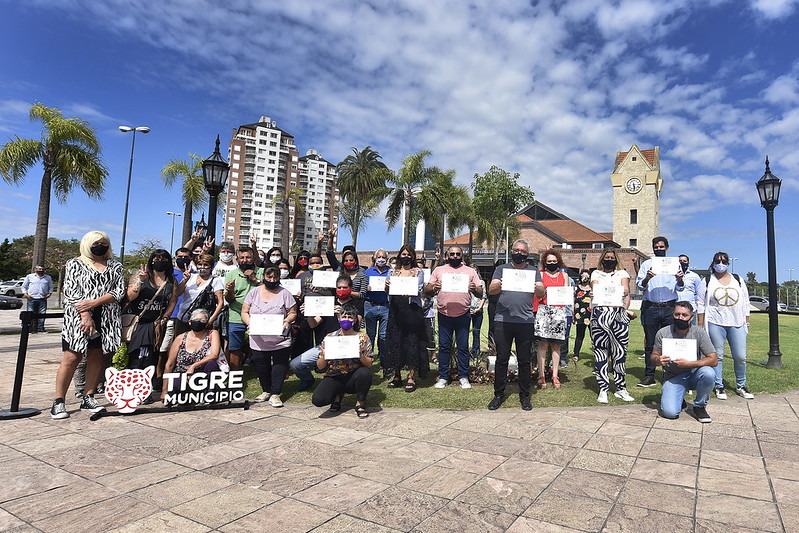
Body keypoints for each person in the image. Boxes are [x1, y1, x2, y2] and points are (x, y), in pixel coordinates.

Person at [51, 231, 124, 419]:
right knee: (72, 357)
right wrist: (85, 313)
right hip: (78, 317)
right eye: (96, 242)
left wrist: (95, 303)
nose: (100, 245)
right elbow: (71, 292)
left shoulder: (115, 265)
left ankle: (88, 396)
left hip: (106, 317)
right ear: (87, 244)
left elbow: (119, 291)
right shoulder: (76, 263)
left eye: (104, 242)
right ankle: (59, 401)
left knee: (97, 357)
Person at [487, 239, 544, 410]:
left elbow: (541, 292)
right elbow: (491, 290)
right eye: (516, 250)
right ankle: (498, 394)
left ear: (527, 254)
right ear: (511, 251)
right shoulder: (501, 269)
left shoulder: (533, 271)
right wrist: (498, 284)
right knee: (501, 359)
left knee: (524, 360)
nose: (519, 253)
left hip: (525, 321)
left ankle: (525, 396)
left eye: (523, 251)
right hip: (503, 321)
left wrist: (538, 288)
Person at [290, 275, 364, 391]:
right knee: (295, 364)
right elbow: (313, 324)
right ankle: (308, 379)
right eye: (339, 287)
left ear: (351, 288)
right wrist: (308, 313)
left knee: (350, 369)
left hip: (347, 344)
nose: (342, 290)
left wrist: (343, 314)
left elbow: (357, 326)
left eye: (345, 287)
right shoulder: (328, 302)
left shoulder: (357, 303)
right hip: (324, 346)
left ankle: (348, 382)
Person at [697, 251, 753, 400]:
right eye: (717, 261)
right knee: (718, 356)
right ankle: (719, 386)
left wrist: (746, 321)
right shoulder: (708, 280)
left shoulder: (738, 279)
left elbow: (746, 302)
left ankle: (741, 385)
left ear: (728, 264)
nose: (720, 264)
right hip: (715, 322)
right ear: (713, 263)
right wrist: (701, 325)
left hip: (737, 322)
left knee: (740, 356)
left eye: (723, 261)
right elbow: (701, 304)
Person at [425, 245, 483, 389]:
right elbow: (427, 291)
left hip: (463, 314)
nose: (455, 256)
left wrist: (474, 288)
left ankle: (463, 376)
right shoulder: (439, 270)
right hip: (444, 314)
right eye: (452, 254)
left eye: (458, 254)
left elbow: (481, 293)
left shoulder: (470, 272)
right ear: (447, 256)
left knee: (463, 347)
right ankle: (443, 377)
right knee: (444, 347)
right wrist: (433, 287)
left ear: (462, 256)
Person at [652, 301, 717, 423]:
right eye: (677, 314)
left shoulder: (699, 333)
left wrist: (691, 364)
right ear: (673, 315)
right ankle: (679, 398)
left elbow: (713, 360)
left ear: (692, 317)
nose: (680, 318)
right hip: (673, 376)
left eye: (684, 315)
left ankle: (700, 406)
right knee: (670, 413)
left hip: (694, 374)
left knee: (709, 373)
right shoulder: (663, 332)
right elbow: (654, 355)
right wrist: (658, 360)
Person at [241, 266, 297, 407]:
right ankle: (266, 390)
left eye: (275, 277)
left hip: (280, 339)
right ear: (263, 277)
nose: (272, 280)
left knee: (279, 364)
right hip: (258, 338)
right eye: (269, 277)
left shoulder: (285, 293)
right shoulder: (253, 292)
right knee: (261, 365)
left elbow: (293, 312)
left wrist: (287, 321)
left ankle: (276, 394)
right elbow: (244, 311)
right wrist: (249, 323)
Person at [636, 236, 683, 387]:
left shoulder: (675, 264)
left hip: (670, 307)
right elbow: (640, 286)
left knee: (669, 342)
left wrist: (680, 278)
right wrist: (647, 278)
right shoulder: (647, 264)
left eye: (661, 247)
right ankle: (650, 375)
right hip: (651, 307)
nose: (659, 249)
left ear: (667, 248)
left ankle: (668, 373)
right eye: (656, 247)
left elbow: (680, 287)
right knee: (650, 342)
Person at [311, 304, 373, 418]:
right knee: (318, 400)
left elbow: (369, 363)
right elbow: (320, 367)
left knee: (365, 373)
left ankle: (360, 403)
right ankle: (337, 395)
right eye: (344, 317)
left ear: (354, 320)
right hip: (335, 376)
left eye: (350, 317)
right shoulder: (330, 337)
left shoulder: (362, 337)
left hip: (353, 376)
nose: (347, 320)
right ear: (338, 319)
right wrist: (324, 356)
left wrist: (360, 355)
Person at [590, 250, 634, 403]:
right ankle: (603, 388)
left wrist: (625, 306)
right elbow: (594, 288)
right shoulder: (596, 273)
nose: (609, 260)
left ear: (616, 259)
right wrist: (594, 293)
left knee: (620, 352)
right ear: (602, 259)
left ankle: (621, 388)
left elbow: (625, 290)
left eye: (612, 258)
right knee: (600, 351)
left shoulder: (622, 273)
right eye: (606, 258)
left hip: (618, 314)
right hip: (600, 314)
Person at [124, 249, 177, 372]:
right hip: (139, 323)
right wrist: (140, 281)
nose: (160, 261)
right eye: (157, 259)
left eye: (164, 259)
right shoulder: (140, 275)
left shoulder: (171, 281)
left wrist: (164, 318)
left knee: (152, 356)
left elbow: (173, 301)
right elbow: (130, 296)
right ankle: (133, 381)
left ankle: (148, 384)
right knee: (136, 356)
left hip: (156, 324)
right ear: (151, 261)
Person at [383, 244, 427, 391]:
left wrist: (411, 291)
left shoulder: (418, 271)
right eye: (403, 254)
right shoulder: (393, 272)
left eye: (408, 254)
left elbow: (419, 288)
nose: (405, 257)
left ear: (413, 256)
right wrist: (387, 285)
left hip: (412, 310)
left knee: (412, 342)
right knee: (396, 341)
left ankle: (411, 376)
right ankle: (396, 376)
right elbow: (387, 291)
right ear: (399, 256)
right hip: (396, 310)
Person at [161, 308, 221, 400]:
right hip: (182, 374)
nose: (199, 322)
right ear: (190, 322)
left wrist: (193, 366)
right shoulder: (180, 338)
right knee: (177, 389)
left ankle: (209, 395)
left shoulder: (212, 334)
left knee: (212, 364)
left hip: (201, 373)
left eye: (202, 320)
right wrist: (164, 390)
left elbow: (214, 355)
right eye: (196, 320)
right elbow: (169, 364)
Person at [534, 249, 570, 389]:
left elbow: (566, 293)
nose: (552, 263)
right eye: (549, 261)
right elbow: (537, 293)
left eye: (554, 261)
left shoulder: (564, 275)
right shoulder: (541, 275)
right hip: (544, 311)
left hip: (559, 311)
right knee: (543, 345)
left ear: (559, 262)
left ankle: (555, 375)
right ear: (544, 262)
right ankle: (541, 375)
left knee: (556, 345)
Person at [224, 245, 263, 370]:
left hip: (259, 315)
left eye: (248, 257)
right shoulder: (231, 274)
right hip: (236, 316)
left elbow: (269, 291)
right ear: (237, 259)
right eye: (242, 258)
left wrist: (255, 279)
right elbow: (229, 299)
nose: (245, 260)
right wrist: (229, 291)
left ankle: (261, 371)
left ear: (253, 258)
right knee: (234, 347)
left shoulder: (262, 272)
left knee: (262, 346)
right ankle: (234, 374)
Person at [175, 253, 225, 333]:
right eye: (200, 264)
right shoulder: (190, 277)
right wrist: (184, 280)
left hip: (202, 320)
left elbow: (220, 302)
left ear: (211, 267)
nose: (202, 267)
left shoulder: (216, 281)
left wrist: (211, 320)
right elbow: (178, 293)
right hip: (183, 317)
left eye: (206, 265)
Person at [363, 248, 391, 369]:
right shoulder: (368, 272)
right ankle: (368, 360)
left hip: (386, 306)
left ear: (387, 259)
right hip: (370, 305)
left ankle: (384, 360)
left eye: (383, 257)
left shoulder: (392, 272)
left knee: (384, 335)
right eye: (379, 257)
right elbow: (361, 289)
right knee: (370, 335)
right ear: (375, 258)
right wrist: (366, 288)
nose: (381, 259)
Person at [466, 256, 487, 358]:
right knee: (465, 332)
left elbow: (483, 297)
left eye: (475, 271)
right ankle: (465, 352)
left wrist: (478, 308)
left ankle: (475, 353)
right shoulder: (465, 283)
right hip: (467, 310)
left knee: (476, 332)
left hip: (478, 310)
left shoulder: (481, 282)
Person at [22, 265, 53, 333]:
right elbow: (24, 286)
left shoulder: (48, 278)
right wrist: (25, 294)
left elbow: (51, 287)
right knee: (30, 314)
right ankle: (29, 330)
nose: (40, 270)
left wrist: (49, 294)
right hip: (31, 298)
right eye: (39, 269)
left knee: (42, 314)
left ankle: (40, 329)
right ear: (35, 269)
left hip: (42, 298)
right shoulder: (29, 276)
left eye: (42, 269)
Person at [572, 269, 592, 362]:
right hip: (579, 315)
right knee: (579, 336)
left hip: (592, 315)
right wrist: (573, 314)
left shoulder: (593, 289)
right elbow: (572, 301)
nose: (585, 278)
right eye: (583, 276)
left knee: (594, 336)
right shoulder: (576, 288)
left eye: (587, 276)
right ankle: (576, 354)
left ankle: (597, 353)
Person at [676, 254, 702, 319]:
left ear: (688, 263)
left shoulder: (695, 276)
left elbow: (698, 292)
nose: (682, 263)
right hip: (676, 309)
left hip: (691, 309)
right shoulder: (672, 276)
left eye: (684, 261)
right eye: (680, 261)